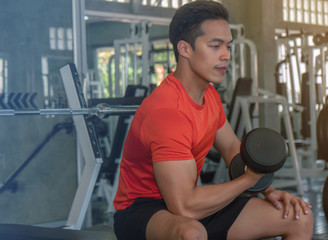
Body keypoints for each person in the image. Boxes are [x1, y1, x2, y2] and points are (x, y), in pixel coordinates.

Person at [113, 1, 314, 239]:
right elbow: (184, 207)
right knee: (191, 233)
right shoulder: (167, 112)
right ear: (185, 49)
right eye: (215, 46)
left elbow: (231, 149)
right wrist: (250, 180)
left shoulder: (209, 96)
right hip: (143, 210)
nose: (226, 55)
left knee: (298, 216)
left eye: (228, 46)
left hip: (188, 201)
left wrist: (269, 190)